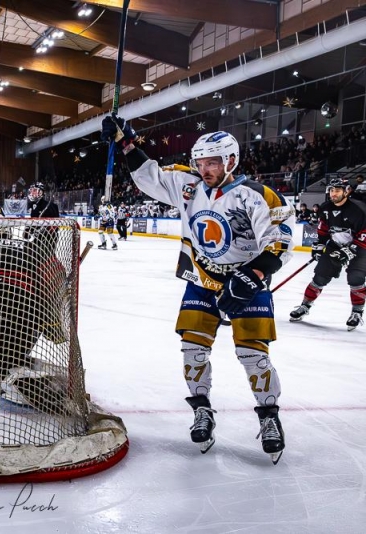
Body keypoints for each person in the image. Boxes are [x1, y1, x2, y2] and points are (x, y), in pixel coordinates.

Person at [102, 116, 295, 464]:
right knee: (193, 350)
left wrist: (253, 275)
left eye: (213, 162)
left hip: (246, 283)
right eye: (201, 162)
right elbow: (150, 177)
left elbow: (279, 240)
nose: (205, 169)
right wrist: (126, 142)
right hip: (201, 280)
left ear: (231, 161)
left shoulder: (258, 195)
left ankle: (269, 417)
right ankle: (202, 410)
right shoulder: (187, 184)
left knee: (253, 355)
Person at [289, 178, 366, 331]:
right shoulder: (325, 208)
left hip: (363, 246)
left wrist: (350, 251)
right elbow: (323, 229)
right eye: (331, 190)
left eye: (337, 190)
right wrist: (319, 245)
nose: (334, 193)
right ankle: (305, 306)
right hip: (336, 243)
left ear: (346, 192)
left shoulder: (359, 209)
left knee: (356, 278)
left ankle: (357, 313)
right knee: (320, 277)